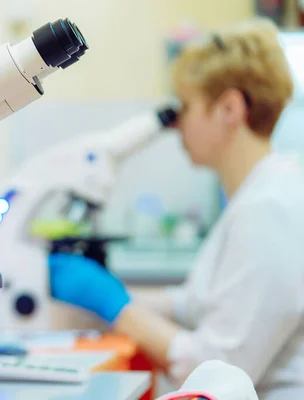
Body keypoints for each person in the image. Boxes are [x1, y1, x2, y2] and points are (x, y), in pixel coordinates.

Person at [48, 18, 304, 400]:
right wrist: (110, 292)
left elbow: (219, 365)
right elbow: (199, 302)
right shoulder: (258, 194)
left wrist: (115, 305)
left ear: (229, 108)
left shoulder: (270, 209)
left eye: (185, 107)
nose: (177, 124)